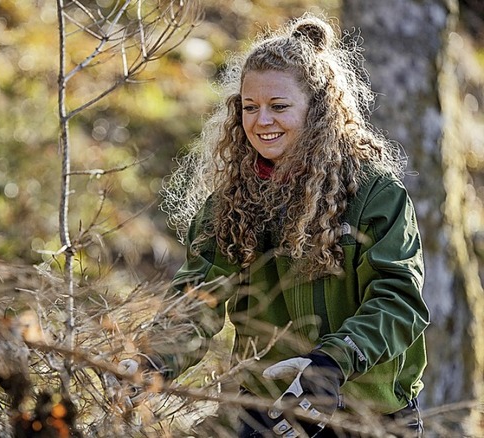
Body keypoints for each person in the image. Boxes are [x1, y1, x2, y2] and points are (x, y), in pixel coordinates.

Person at [157, 13, 430, 438]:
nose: (261, 121)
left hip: (365, 416)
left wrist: (331, 363)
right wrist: (152, 359)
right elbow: (198, 299)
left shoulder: (375, 194)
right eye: (250, 107)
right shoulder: (231, 201)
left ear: (318, 109)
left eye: (279, 107)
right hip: (267, 412)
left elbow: (399, 300)